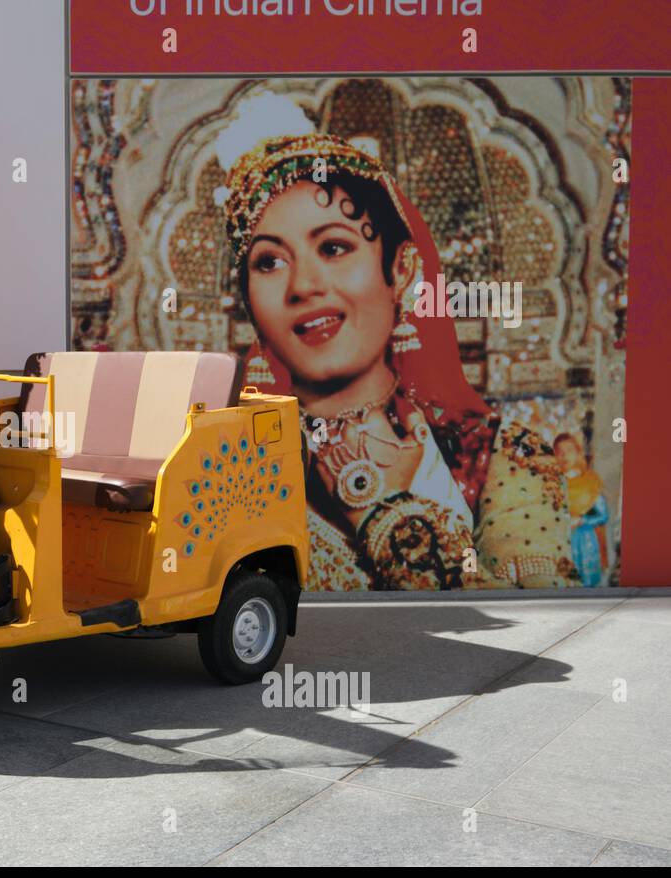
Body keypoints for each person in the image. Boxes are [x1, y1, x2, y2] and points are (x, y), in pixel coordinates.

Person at [216, 93, 577, 590]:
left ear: (401, 270)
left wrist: (383, 515)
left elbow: (536, 630)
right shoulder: (231, 465)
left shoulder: (499, 458)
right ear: (249, 302)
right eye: (270, 262)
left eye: (334, 247)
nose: (302, 286)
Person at [554, 433, 609, 587]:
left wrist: (580, 520)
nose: (564, 455)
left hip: (584, 544)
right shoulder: (551, 483)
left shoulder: (590, 481)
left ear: (578, 452)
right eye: (559, 451)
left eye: (569, 450)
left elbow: (603, 515)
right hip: (558, 543)